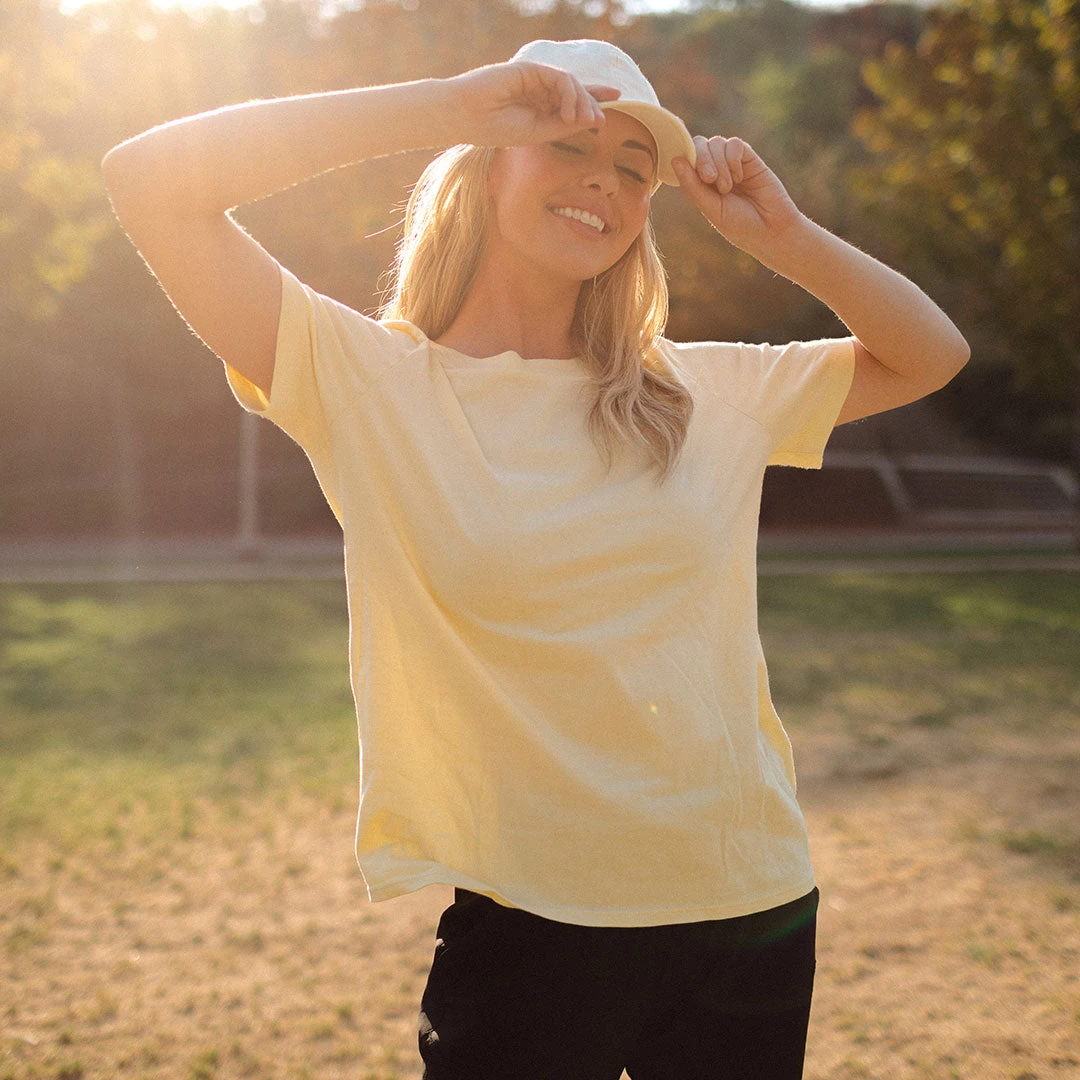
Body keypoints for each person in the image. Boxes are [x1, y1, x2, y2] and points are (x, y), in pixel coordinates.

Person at [101, 37, 969, 1080]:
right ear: (486, 159)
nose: (605, 180)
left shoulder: (705, 393)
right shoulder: (365, 384)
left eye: (635, 171)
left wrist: (785, 239)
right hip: (531, 931)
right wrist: (442, 103)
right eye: (567, 146)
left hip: (746, 911)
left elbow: (932, 353)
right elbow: (148, 181)